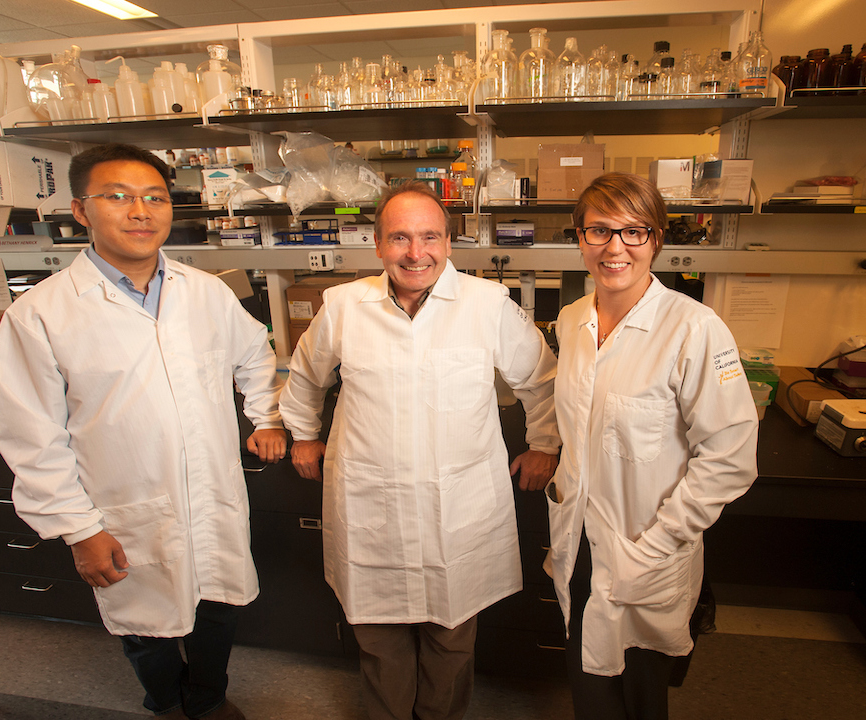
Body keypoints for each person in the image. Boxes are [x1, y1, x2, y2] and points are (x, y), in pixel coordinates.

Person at [0, 143, 286, 720]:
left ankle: (207, 699)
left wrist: (264, 415)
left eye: (154, 198)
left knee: (218, 607)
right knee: (141, 619)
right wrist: (78, 530)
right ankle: (166, 702)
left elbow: (255, 353)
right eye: (118, 197)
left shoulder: (205, 292)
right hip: (121, 507)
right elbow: (33, 437)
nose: (140, 211)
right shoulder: (42, 314)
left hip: (211, 494)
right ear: (81, 211)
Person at [278, 181, 559, 720]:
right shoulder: (343, 306)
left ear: (448, 243)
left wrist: (544, 443)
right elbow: (305, 376)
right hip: (370, 500)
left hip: (457, 504)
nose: (416, 252)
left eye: (429, 237)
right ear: (378, 246)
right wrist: (305, 433)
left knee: (451, 636)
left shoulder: (486, 304)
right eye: (400, 238)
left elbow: (541, 380)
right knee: (379, 636)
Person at [545, 173, 758, 720]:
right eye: (599, 231)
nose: (615, 248)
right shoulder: (572, 321)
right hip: (579, 543)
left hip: (648, 547)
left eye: (633, 231)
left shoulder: (694, 329)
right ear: (579, 239)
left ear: (656, 240)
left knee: (641, 698)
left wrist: (658, 545)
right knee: (589, 688)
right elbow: (574, 426)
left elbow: (729, 460)